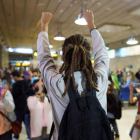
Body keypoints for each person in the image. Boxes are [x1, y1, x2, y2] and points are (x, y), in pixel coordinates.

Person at [37, 10, 109, 139]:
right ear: (88, 55)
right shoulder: (99, 80)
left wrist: (44, 26)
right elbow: (103, 55)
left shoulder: (57, 83)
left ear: (64, 57)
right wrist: (91, 24)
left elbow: (44, 59)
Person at [11, 70, 28, 140]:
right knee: (26, 122)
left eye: (12, 77)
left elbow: (13, 95)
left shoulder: (16, 85)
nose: (12, 78)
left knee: (18, 121)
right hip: (25, 104)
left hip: (18, 106)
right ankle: (29, 136)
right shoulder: (26, 82)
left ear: (15, 76)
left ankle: (16, 135)